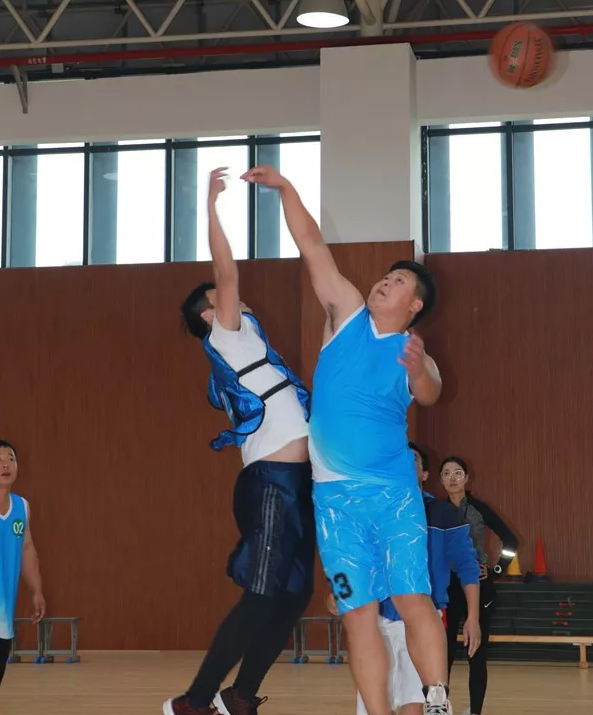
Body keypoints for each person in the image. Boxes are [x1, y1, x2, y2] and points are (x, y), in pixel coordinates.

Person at [242, 165, 451, 715]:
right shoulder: (347, 315)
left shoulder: (414, 353)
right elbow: (312, 246)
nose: (385, 282)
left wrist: (418, 368)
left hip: (392, 494)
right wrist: (287, 190)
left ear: (415, 305)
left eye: (399, 282)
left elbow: (430, 391)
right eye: (386, 276)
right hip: (335, 501)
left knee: (412, 596)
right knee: (357, 615)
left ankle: (436, 700)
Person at [163, 169, 315, 715]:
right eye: (222, 298)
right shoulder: (226, 334)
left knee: (294, 596)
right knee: (261, 595)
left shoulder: (248, 346)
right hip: (272, 482)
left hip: (298, 481)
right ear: (211, 314)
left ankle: (241, 696)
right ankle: (194, 700)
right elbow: (225, 270)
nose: (236, 296)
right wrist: (211, 205)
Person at [352, 442, 481, 715]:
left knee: (416, 703)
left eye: (412, 459)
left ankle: (438, 701)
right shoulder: (371, 512)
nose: (404, 463)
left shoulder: (443, 514)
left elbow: (467, 566)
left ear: (424, 474)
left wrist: (473, 617)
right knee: (374, 703)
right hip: (376, 618)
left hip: (424, 617)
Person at [440, 456, 519, 715]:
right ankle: (438, 708)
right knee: (442, 654)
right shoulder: (436, 510)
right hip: (446, 589)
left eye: (457, 473)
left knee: (476, 653)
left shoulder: (479, 509)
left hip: (478, 585)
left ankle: (475, 712)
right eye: (446, 473)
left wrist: (496, 570)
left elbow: (510, 540)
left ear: (466, 478)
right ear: (440, 480)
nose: (452, 478)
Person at [0, 440, 45, 689]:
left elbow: (26, 548)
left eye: (10, 459)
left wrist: (36, 590)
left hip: (3, 617)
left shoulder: (21, 507)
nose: (5, 464)